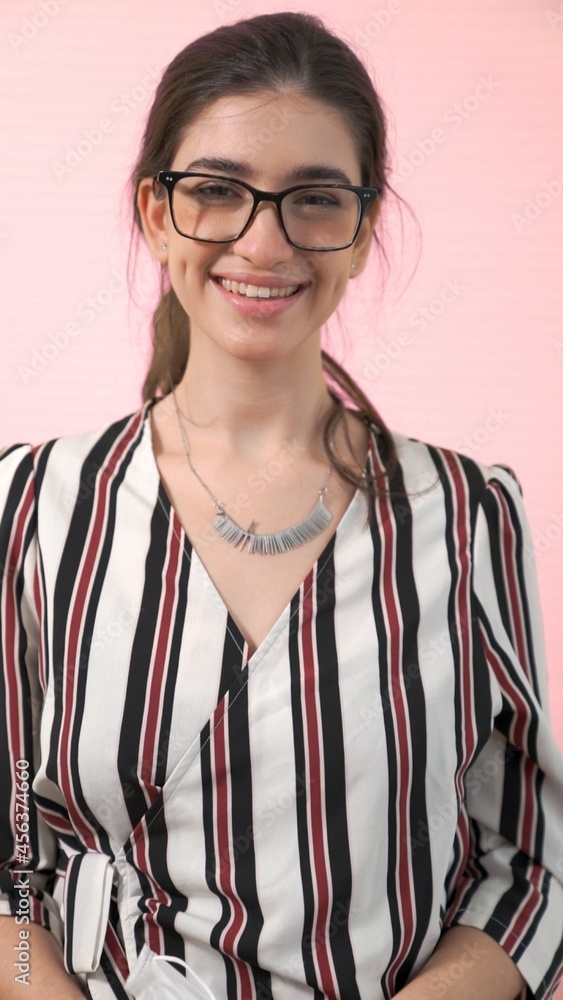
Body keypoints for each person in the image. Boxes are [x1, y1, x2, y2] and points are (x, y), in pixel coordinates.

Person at [0, 11, 562, 1000]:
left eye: (312, 199)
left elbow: (532, 868)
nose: (262, 241)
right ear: (153, 212)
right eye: (215, 191)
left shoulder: (467, 514)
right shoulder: (34, 504)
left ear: (362, 230)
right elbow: (7, 890)